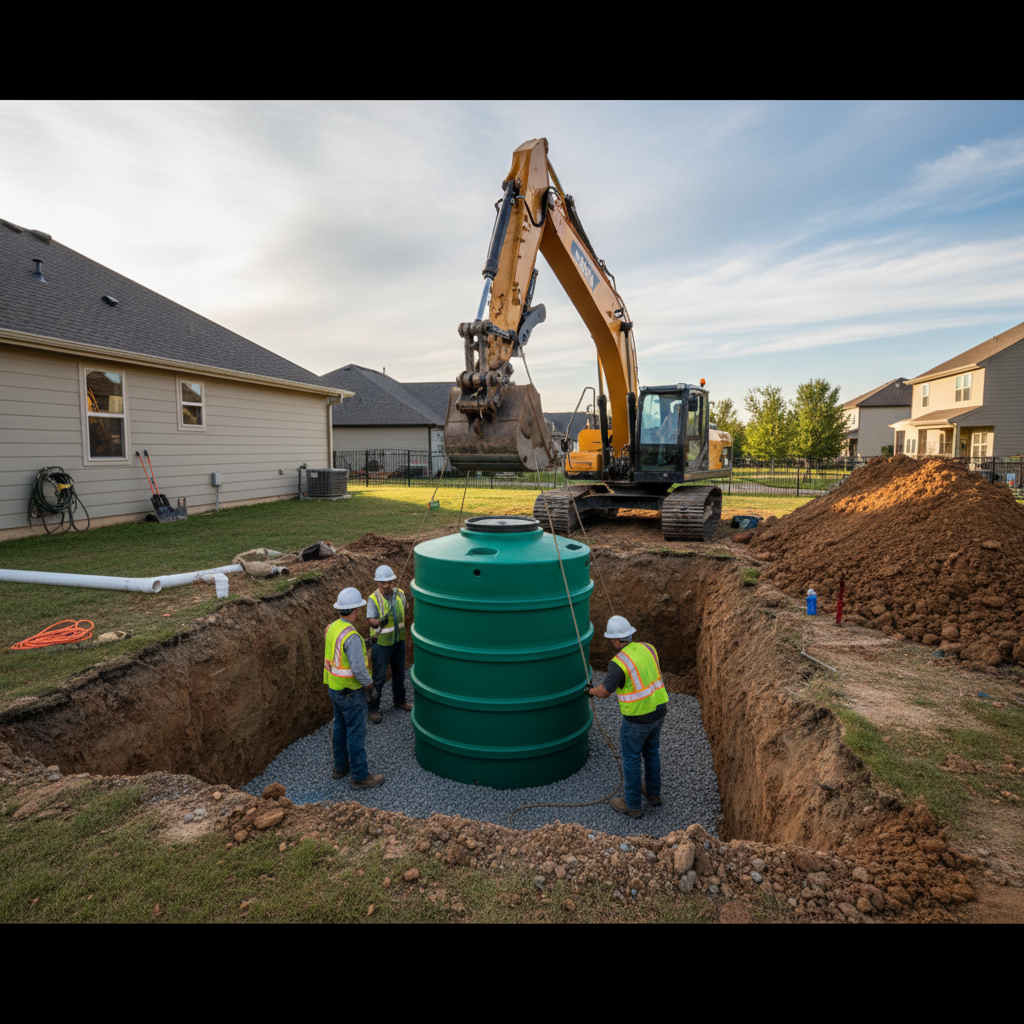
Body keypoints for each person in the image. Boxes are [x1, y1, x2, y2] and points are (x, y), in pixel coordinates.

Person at [587, 615, 667, 818]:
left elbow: (605, 691)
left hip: (637, 719)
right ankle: (654, 793)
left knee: (631, 760)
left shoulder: (618, 663)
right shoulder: (649, 648)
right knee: (651, 753)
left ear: (615, 640)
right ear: (630, 634)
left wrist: (590, 691)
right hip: (659, 710)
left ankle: (632, 804)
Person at [323, 587, 384, 789]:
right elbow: (357, 668)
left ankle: (340, 767)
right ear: (355, 610)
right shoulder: (352, 636)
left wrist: (363, 644)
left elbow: (339, 651)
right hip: (351, 691)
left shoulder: (333, 627)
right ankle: (360, 775)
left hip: (334, 688)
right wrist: (369, 685)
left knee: (340, 726)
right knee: (356, 733)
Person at [365, 564, 413, 724]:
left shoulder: (400, 594)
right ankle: (373, 709)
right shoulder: (373, 599)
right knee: (378, 678)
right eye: (383, 583)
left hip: (398, 642)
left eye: (389, 582)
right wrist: (378, 622)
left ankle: (399, 701)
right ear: (378, 583)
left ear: (393, 581)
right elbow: (371, 621)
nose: (386, 586)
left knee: (399, 673)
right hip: (382, 645)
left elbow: (406, 610)